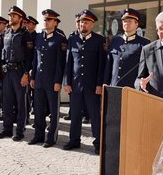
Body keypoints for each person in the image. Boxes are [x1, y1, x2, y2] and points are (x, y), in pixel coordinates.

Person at [63, 9, 107, 155]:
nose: (83, 24)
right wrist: (67, 82)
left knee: (95, 116)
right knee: (75, 114)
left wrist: (99, 85)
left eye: (86, 22)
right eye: (82, 22)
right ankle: (74, 140)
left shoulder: (99, 40)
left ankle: (98, 143)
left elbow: (102, 65)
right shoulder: (72, 39)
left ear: (92, 24)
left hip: (92, 86)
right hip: (75, 85)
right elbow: (68, 63)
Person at [0, 6, 34, 141]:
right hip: (6, 72)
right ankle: (7, 129)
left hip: (19, 72)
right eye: (10, 15)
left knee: (20, 103)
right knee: (6, 102)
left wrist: (26, 74)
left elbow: (30, 57)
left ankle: (20, 130)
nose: (10, 18)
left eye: (13, 16)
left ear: (20, 18)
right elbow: (0, 54)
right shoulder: (6, 33)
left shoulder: (26, 35)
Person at [28, 9, 67, 148]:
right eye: (44, 19)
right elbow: (35, 59)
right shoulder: (38, 37)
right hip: (39, 79)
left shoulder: (60, 39)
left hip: (52, 81)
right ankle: (38, 135)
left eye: (49, 19)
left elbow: (60, 63)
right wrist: (33, 77)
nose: (46, 22)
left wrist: (58, 81)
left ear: (55, 22)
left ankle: (51, 137)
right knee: (38, 109)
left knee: (53, 110)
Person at [104, 8, 150, 87]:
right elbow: (109, 65)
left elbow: (145, 69)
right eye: (124, 21)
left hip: (131, 89)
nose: (126, 23)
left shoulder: (144, 43)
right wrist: (105, 83)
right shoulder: (115, 41)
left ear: (136, 24)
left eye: (130, 21)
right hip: (114, 87)